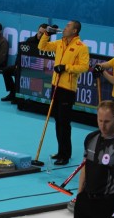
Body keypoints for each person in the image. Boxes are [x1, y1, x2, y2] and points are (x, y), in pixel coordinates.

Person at [38, 20, 90, 165]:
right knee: (57, 121)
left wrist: (66, 67)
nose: (64, 28)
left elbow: (84, 67)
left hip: (67, 89)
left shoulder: (81, 47)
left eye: (68, 26)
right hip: (56, 85)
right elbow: (42, 46)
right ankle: (61, 151)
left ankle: (66, 155)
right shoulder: (60, 43)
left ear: (75, 31)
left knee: (64, 122)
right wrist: (47, 34)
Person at [1, 23, 48, 102]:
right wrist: (17, 65)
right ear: (37, 30)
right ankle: (12, 92)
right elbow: (21, 54)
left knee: (18, 73)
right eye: (40, 32)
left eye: (43, 33)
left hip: (38, 69)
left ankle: (17, 95)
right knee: (6, 71)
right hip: (25, 66)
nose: (40, 35)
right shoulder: (30, 40)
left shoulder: (48, 44)